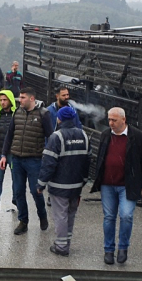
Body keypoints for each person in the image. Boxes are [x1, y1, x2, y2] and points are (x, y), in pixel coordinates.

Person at [90, 107, 142, 265]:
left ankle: (123, 247)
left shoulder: (137, 137)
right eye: (109, 120)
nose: (111, 123)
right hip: (107, 184)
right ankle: (109, 250)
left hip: (127, 185)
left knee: (126, 215)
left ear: (123, 120)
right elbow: (100, 159)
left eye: (114, 120)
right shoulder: (105, 135)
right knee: (109, 217)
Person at [37, 106, 90, 256]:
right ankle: (67, 242)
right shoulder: (84, 136)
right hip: (76, 185)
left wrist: (41, 183)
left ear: (59, 119)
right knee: (70, 215)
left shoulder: (56, 137)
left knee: (60, 215)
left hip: (59, 185)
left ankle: (61, 246)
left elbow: (49, 163)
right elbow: (88, 161)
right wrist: (84, 180)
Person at [1, 87, 53, 235]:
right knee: (18, 192)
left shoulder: (43, 114)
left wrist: (48, 158)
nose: (20, 100)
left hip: (34, 160)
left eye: (23, 97)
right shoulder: (17, 112)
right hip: (17, 159)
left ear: (31, 98)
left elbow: (51, 137)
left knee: (35, 191)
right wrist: (4, 154)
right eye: (20, 97)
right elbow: (10, 135)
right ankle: (23, 221)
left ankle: (42, 215)